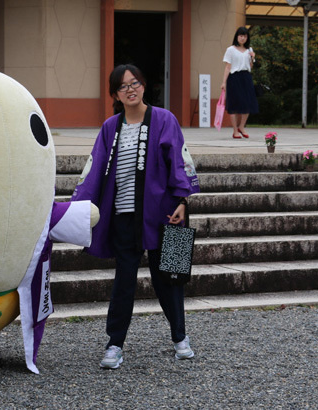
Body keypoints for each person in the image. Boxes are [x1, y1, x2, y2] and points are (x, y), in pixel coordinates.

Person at [71, 64, 200, 369]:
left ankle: (180, 337)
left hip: (165, 215)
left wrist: (183, 200)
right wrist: (76, 208)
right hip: (124, 218)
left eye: (135, 83)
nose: (130, 89)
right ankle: (114, 344)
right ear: (115, 94)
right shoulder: (110, 127)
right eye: (123, 86)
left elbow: (179, 160)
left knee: (171, 277)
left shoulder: (164, 119)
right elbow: (94, 169)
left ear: (144, 86)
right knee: (124, 281)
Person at [221, 26, 258, 139]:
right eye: (241, 36)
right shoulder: (230, 50)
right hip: (234, 77)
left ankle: (241, 127)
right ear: (237, 37)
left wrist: (252, 57)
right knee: (234, 104)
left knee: (248, 103)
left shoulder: (249, 50)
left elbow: (250, 66)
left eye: (245, 36)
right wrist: (224, 82)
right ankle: (235, 131)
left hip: (246, 77)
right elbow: (228, 67)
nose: (243, 38)